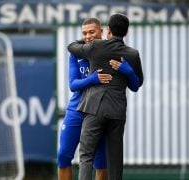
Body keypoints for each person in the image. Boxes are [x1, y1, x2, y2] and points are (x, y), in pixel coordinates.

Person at [67, 13, 144, 180]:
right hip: (117, 112)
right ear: (127, 32)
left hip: (94, 108)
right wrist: (127, 71)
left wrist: (85, 41)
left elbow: (71, 47)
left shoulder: (96, 47)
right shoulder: (132, 54)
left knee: (86, 155)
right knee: (115, 160)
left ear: (108, 30)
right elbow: (136, 86)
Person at [57, 18, 110, 180]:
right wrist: (92, 79)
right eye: (84, 33)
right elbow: (73, 84)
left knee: (101, 162)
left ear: (101, 31)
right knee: (63, 156)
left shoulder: (111, 51)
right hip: (77, 108)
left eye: (91, 32)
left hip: (99, 110)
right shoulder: (77, 52)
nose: (88, 36)